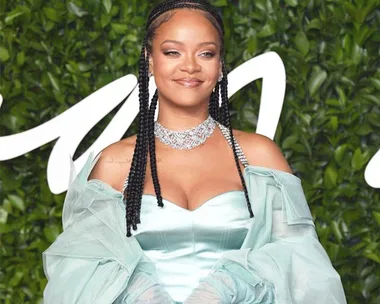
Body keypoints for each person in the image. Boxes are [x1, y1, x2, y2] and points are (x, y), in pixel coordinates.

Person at [42, 0, 347, 303]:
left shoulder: (258, 156)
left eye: (206, 53)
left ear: (220, 64)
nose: (190, 65)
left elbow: (300, 263)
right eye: (172, 51)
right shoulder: (115, 163)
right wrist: (143, 294)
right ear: (149, 59)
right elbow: (81, 272)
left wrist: (229, 285)